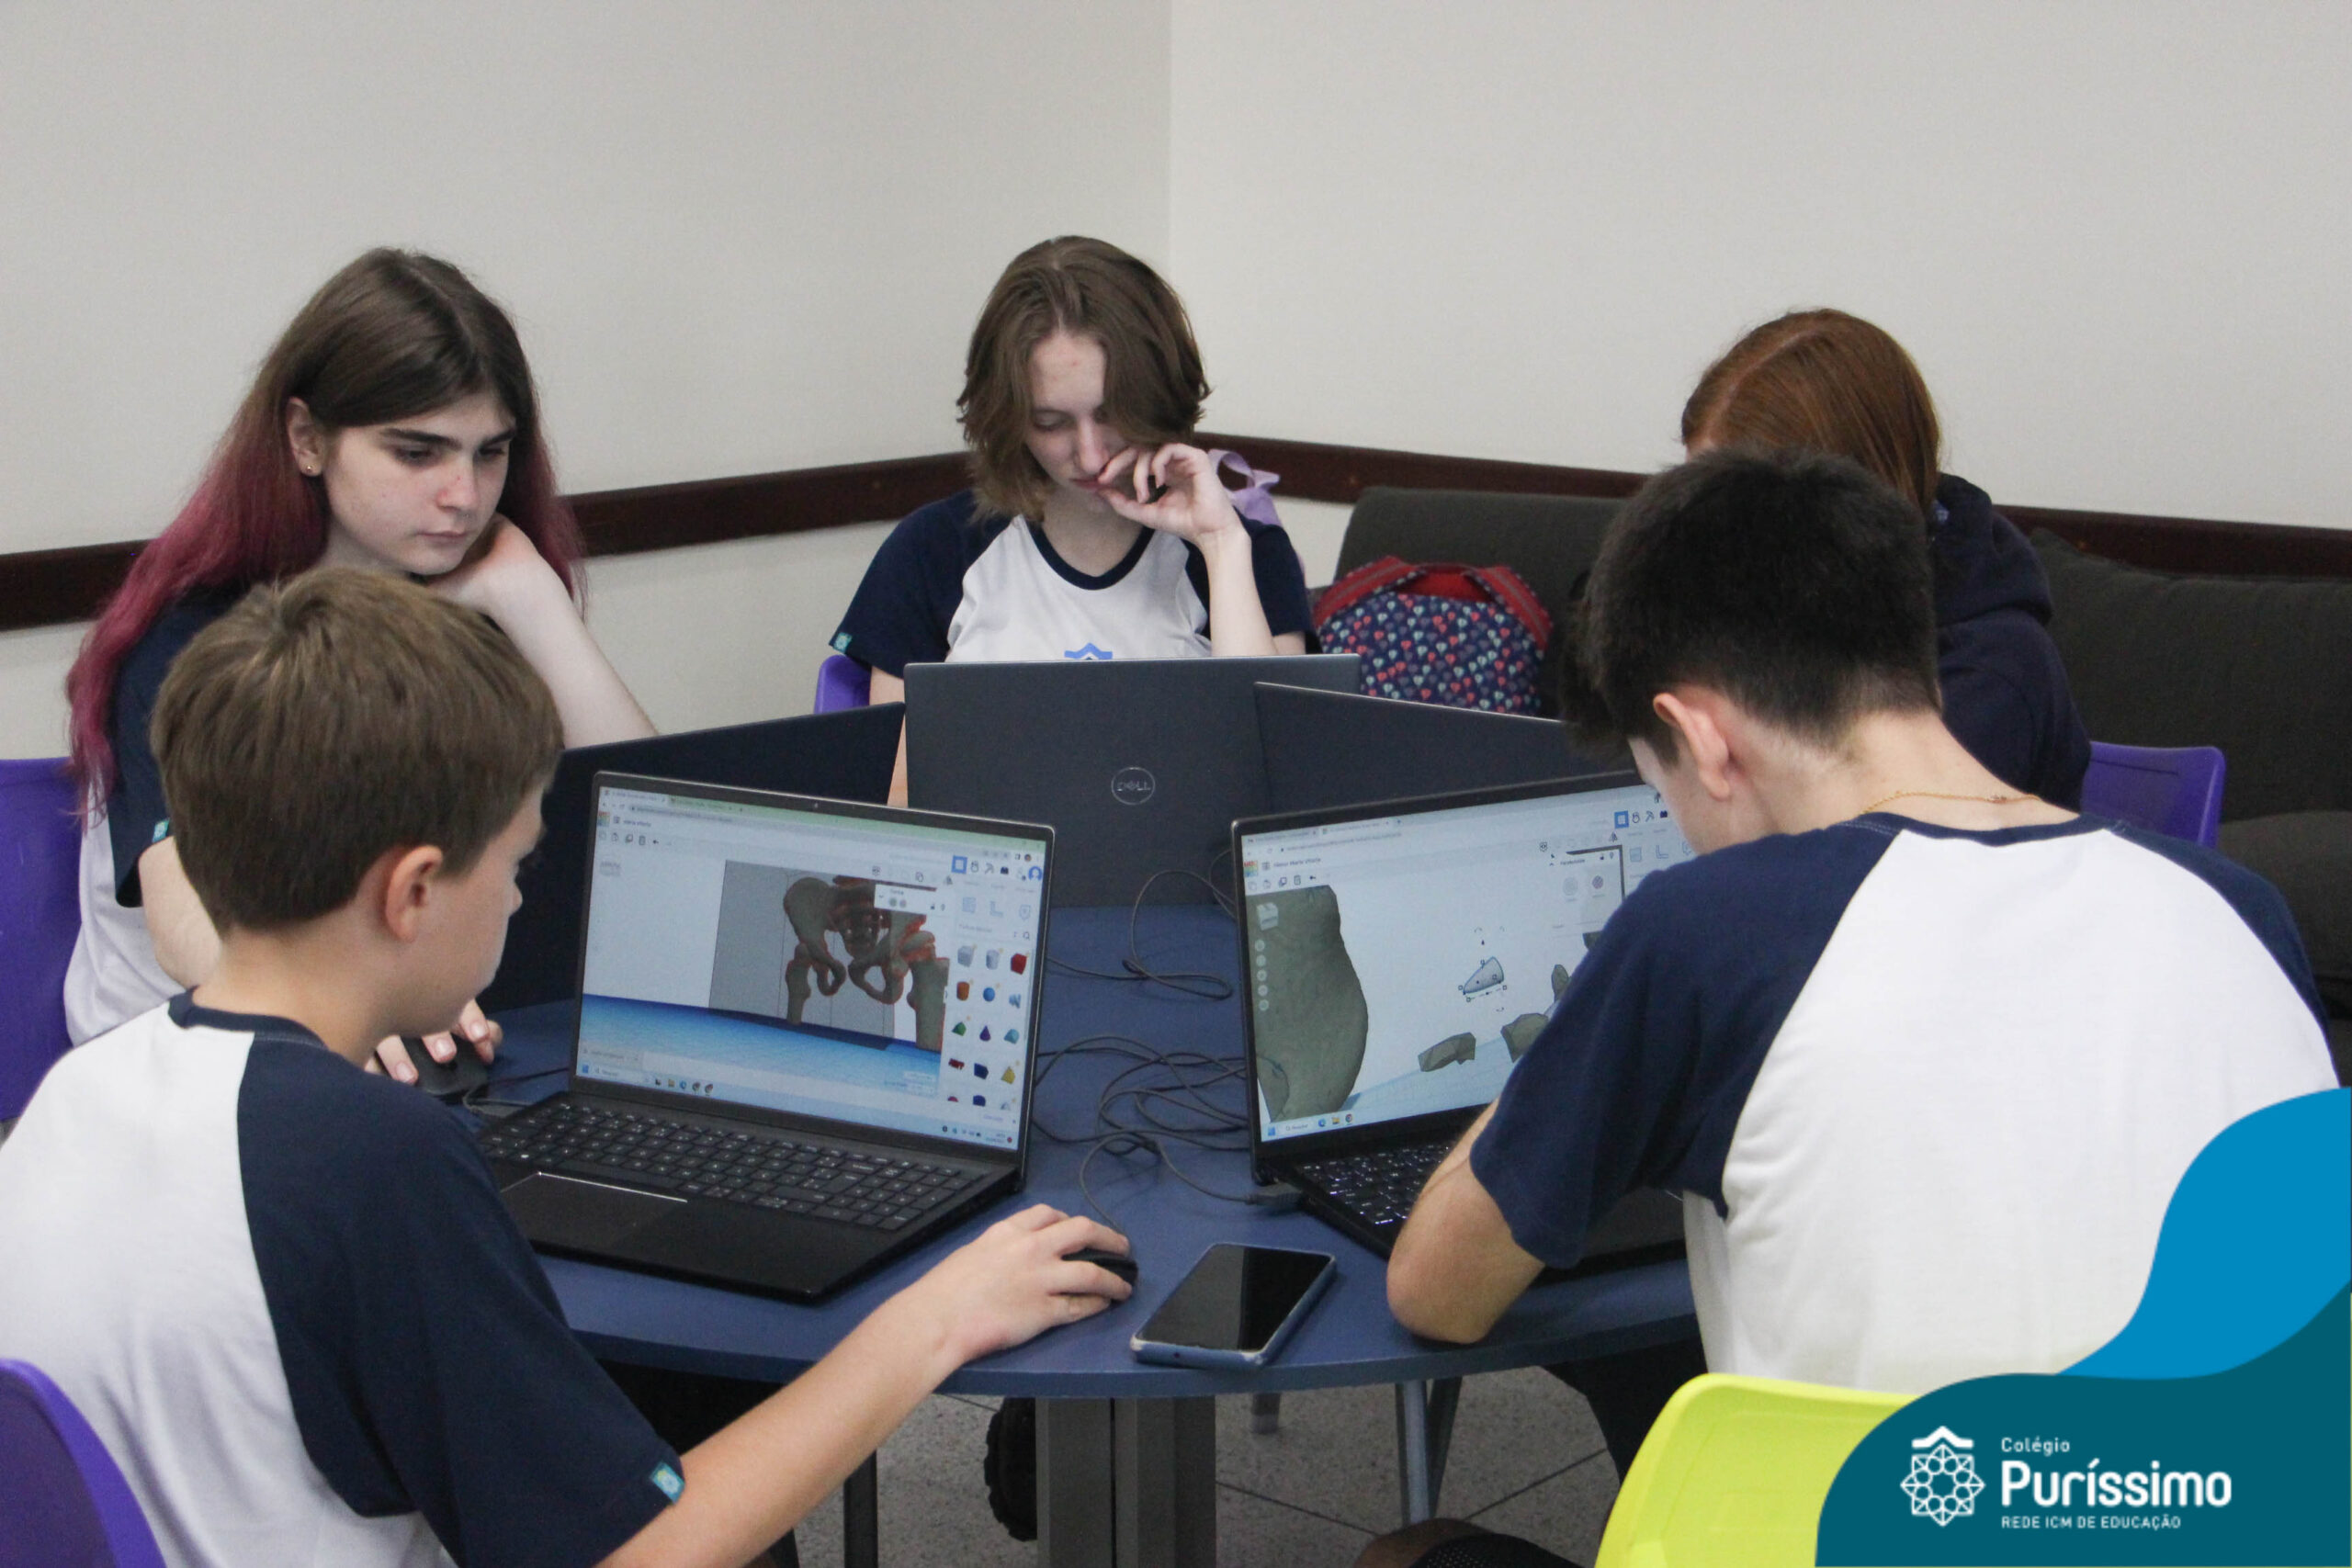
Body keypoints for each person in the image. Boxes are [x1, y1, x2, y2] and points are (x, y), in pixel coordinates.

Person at [0, 570, 1133, 1568]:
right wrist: (932, 1321)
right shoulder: (370, 1161)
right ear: (414, 892)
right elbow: (635, 1553)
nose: (517, 897)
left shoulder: (74, 1095)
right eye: (515, 865)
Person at [1363, 449, 2334, 1568]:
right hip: (2248, 1527)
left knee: (1408, 1554)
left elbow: (1436, 1295)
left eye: (1657, 786)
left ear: (1703, 739)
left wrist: (1577, 1052)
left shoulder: (1711, 928)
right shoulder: (2238, 907)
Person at [62, 248, 653, 1078]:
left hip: (437, 1029)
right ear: (308, 439)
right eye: (417, 453)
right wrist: (349, 998)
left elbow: (648, 832)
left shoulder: (479, 597)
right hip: (201, 1055)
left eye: (490, 453)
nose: (464, 495)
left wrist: (533, 598)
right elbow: (183, 921)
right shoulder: (191, 635)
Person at [830, 235, 1313, 799]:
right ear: (1009, 418)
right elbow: (898, 802)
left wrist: (1221, 543)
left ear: (1158, 397)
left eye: (1111, 414)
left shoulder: (1248, 556)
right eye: (1051, 423)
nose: (1089, 456)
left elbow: (1277, 794)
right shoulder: (931, 550)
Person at [1680, 307, 2090, 808]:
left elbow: (1860, 840)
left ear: (1844, 505)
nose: (1711, 549)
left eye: (1738, 516)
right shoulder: (1773, 608)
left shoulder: (1988, 677)